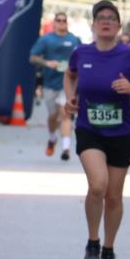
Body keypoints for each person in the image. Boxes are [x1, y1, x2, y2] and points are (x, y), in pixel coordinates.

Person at [64, 0, 130, 259]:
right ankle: (92, 242)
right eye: (100, 18)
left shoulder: (129, 55)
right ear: (93, 25)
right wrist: (71, 98)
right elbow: (69, 76)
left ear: (118, 26)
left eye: (111, 18)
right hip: (89, 128)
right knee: (98, 186)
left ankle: (108, 248)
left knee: (114, 196)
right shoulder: (81, 53)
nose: (105, 21)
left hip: (121, 132)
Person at [30, 13, 80, 160]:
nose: (62, 23)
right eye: (59, 20)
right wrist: (47, 63)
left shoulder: (74, 40)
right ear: (54, 23)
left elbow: (83, 57)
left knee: (65, 114)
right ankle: (52, 138)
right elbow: (32, 57)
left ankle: (66, 148)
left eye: (64, 20)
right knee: (53, 116)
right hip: (50, 83)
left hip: (68, 84)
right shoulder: (46, 39)